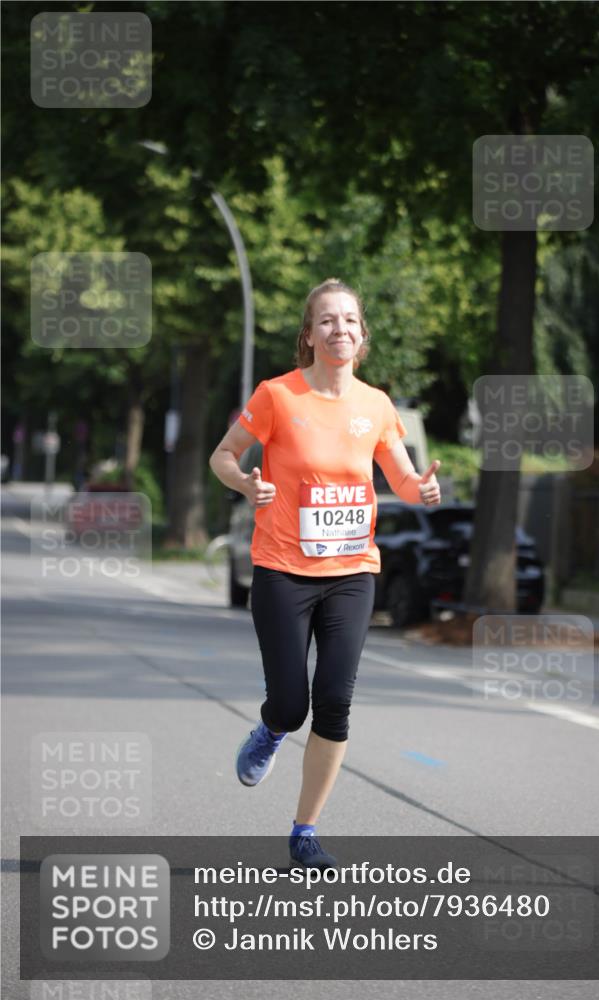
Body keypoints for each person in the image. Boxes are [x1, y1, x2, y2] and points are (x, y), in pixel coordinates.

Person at [209, 278, 440, 869]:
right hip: (282, 569)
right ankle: (270, 730)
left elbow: (403, 481)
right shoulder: (277, 396)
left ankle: (304, 832)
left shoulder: (377, 406)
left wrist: (424, 488)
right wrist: (244, 482)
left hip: (351, 572)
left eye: (351, 321)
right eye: (328, 321)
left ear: (362, 337)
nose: (340, 329)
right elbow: (223, 456)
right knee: (291, 705)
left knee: (334, 701)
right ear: (309, 335)